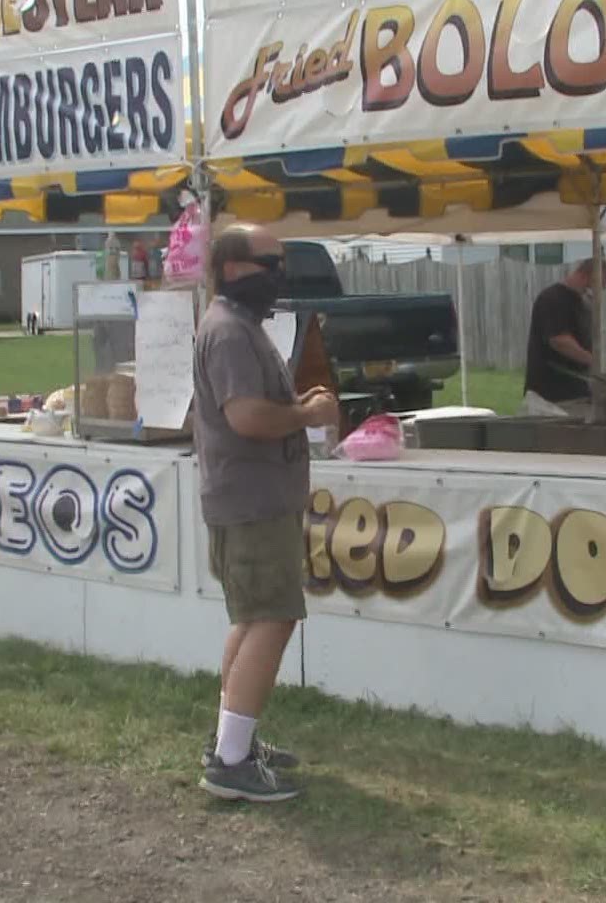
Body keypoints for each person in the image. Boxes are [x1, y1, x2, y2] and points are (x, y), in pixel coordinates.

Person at [192, 223, 338, 803]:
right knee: (272, 618)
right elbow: (248, 418)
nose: (279, 275)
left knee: (252, 617)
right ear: (231, 268)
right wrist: (308, 415)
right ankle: (231, 761)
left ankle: (232, 741)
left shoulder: (239, 325)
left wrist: (299, 407)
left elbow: (256, 409)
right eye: (268, 263)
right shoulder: (229, 332)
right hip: (250, 500)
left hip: (252, 498)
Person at [522, 259, 606, 418]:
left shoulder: (580, 303)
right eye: (596, 286)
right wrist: (593, 360)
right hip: (551, 397)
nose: (596, 292)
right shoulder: (553, 299)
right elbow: (559, 341)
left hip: (576, 394)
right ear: (584, 276)